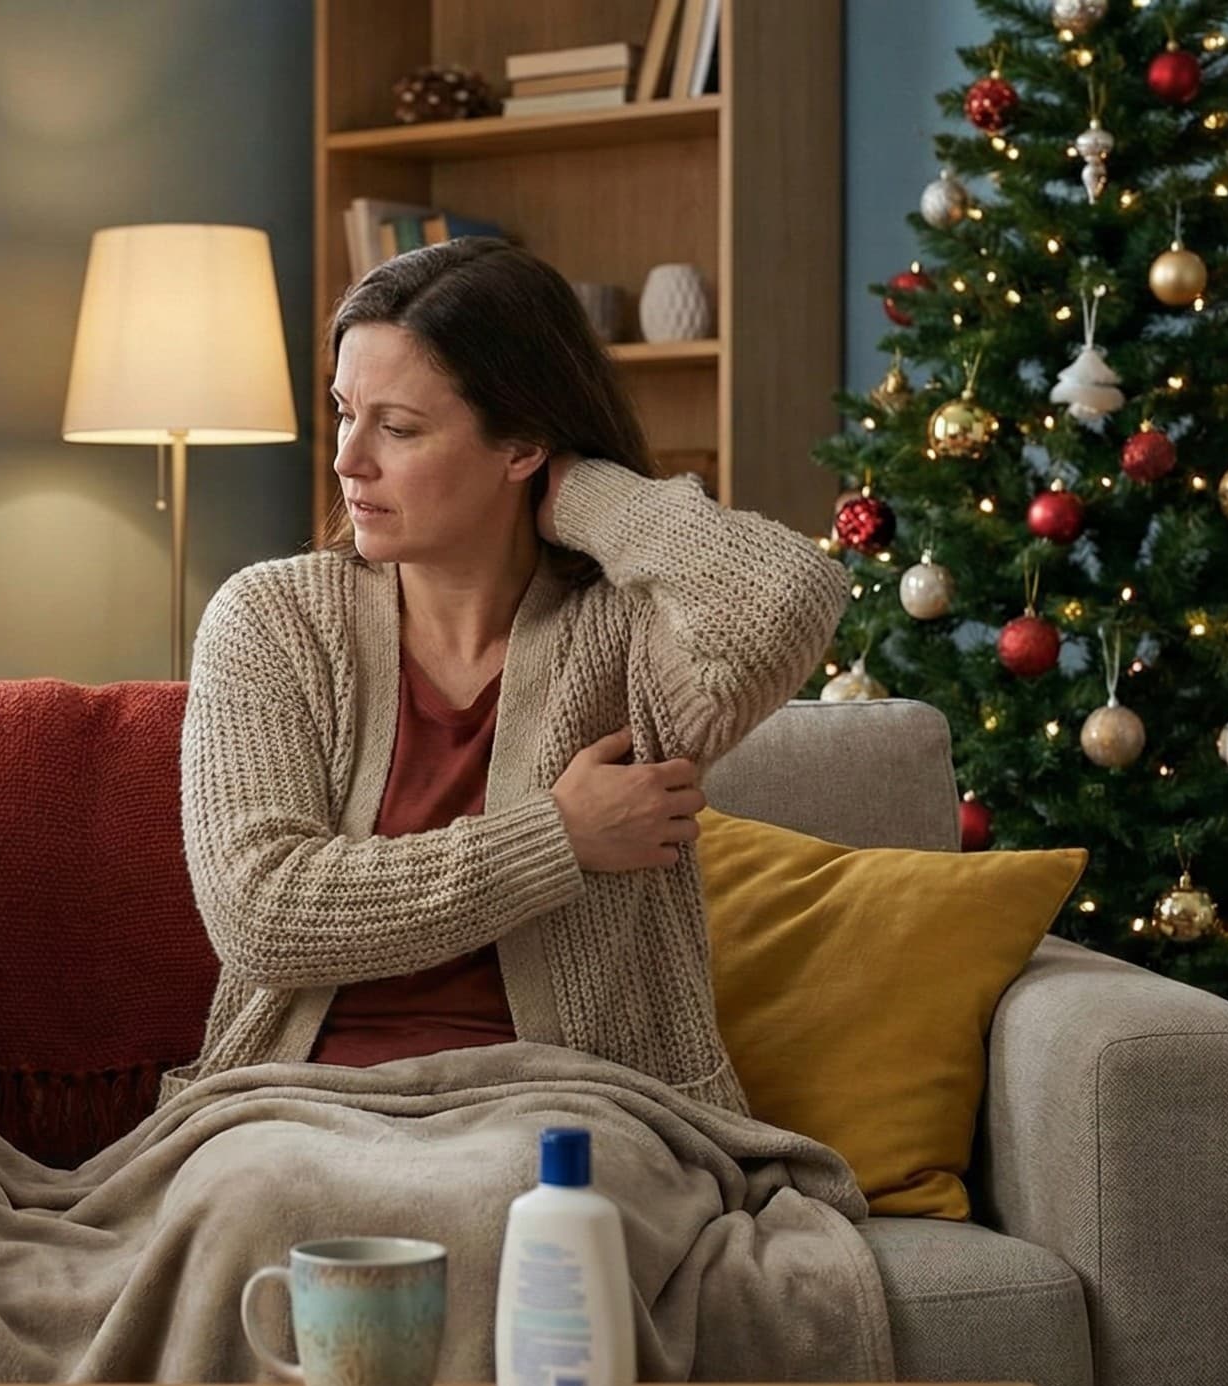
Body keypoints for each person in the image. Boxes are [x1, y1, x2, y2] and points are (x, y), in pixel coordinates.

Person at [167, 238, 847, 1109]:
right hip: (300, 1106)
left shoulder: (630, 633)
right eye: (345, 412)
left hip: (572, 1108)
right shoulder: (273, 620)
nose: (348, 460)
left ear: (521, 444)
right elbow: (262, 916)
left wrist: (594, 494)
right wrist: (557, 837)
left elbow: (787, 594)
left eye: (399, 428)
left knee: (512, 1212)